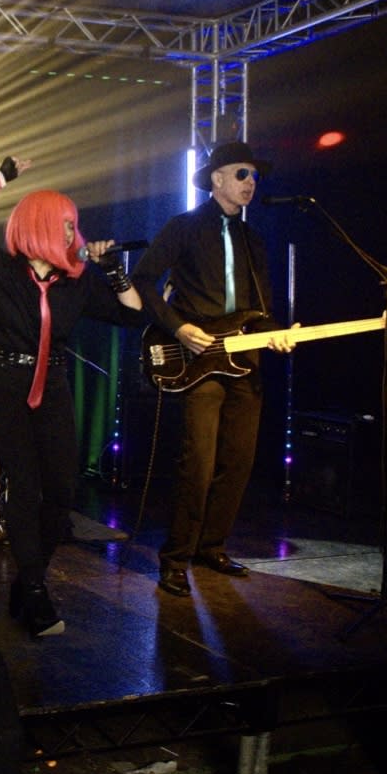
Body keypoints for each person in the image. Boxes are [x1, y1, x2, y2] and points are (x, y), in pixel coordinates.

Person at [0, 157, 143, 638]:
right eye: (67, 224)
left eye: (75, 224)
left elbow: (132, 315)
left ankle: (28, 580)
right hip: (6, 383)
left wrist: (114, 272)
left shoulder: (77, 283)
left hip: (52, 384)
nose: (74, 232)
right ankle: (35, 591)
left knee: (61, 491)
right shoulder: (3, 270)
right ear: (40, 225)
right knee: (25, 485)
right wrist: (1, 177)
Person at [131, 141, 295, 598]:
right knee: (198, 464)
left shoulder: (252, 239)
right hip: (198, 359)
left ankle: (212, 546)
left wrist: (277, 334)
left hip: (245, 360)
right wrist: (178, 326)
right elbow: (143, 280)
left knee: (238, 461)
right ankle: (175, 558)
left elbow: (261, 309)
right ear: (217, 178)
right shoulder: (183, 227)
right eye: (242, 174)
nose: (251, 182)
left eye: (255, 176)